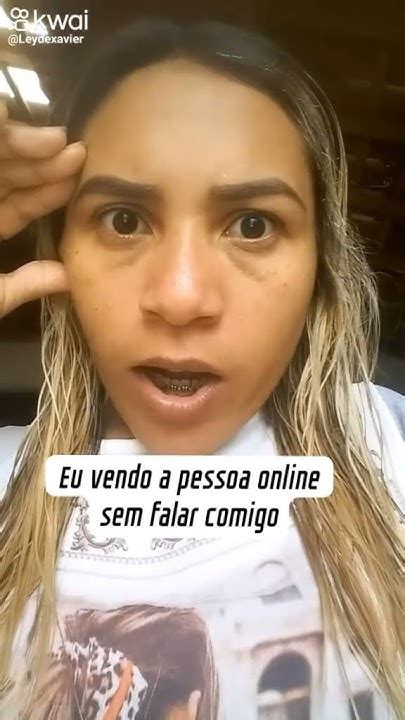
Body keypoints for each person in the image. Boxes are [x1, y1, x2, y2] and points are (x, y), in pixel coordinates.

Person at [0, 18, 404, 720]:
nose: (182, 298)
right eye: (124, 220)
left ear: (319, 270)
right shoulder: (6, 481)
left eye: (252, 225)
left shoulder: (388, 448)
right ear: (60, 248)